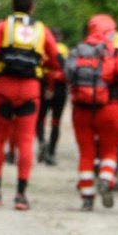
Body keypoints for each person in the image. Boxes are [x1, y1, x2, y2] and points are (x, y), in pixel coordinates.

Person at [0, 0, 62, 210]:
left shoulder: (2, 26)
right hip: (30, 90)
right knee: (26, 140)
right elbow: (57, 61)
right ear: (32, 7)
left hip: (4, 88)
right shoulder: (41, 30)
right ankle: (21, 195)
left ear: (12, 5)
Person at [66, 14, 118, 210]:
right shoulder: (113, 52)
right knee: (109, 150)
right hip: (109, 108)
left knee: (86, 153)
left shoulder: (77, 51)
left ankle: (87, 197)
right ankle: (106, 179)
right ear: (109, 32)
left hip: (81, 109)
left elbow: (67, 74)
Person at [37, 31, 70, 166]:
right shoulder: (65, 50)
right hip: (60, 88)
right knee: (56, 121)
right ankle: (51, 151)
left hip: (44, 84)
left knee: (40, 118)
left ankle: (41, 142)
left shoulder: (42, 47)